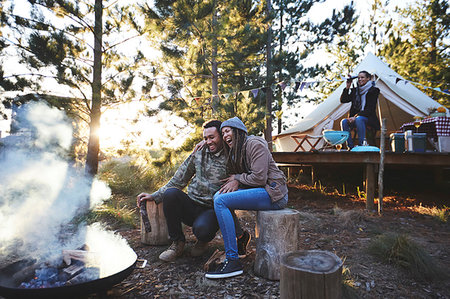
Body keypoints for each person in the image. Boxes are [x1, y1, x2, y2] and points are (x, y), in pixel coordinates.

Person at [137, 120, 250, 262]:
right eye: (205, 138)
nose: (208, 142)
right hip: (191, 204)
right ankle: (177, 243)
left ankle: (202, 240)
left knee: (202, 230)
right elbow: (179, 178)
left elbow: (246, 173)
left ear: (221, 136)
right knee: (171, 193)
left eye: (212, 137)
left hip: (212, 209)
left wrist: (237, 180)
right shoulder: (199, 151)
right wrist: (154, 196)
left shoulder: (232, 155)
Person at [205, 117, 288, 279]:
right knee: (218, 196)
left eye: (228, 131)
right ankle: (241, 238)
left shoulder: (254, 144)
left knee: (221, 201)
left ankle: (232, 260)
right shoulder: (236, 150)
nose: (225, 135)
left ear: (238, 131)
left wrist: (237, 178)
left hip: (274, 193)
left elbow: (259, 178)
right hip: (260, 190)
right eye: (223, 133)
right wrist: (202, 145)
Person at [340, 70, 380, 149]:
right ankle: (350, 147)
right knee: (344, 121)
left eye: (362, 77)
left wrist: (355, 117)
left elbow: (370, 109)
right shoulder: (355, 90)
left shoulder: (374, 90)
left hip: (368, 118)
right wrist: (348, 86)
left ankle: (361, 145)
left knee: (359, 119)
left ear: (368, 78)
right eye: (358, 78)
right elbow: (343, 100)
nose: (360, 79)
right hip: (356, 118)